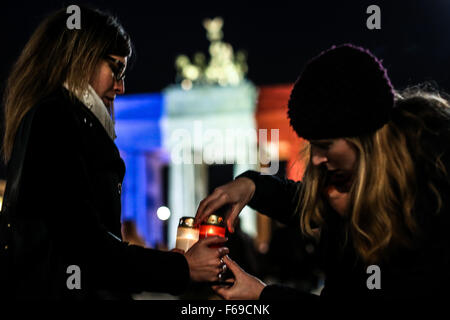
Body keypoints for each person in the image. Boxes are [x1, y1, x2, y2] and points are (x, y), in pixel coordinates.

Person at [0, 6, 228, 300]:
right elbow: (87, 247)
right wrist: (181, 267)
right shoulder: (56, 119)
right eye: (116, 68)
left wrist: (170, 265)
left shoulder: (63, 119)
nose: (121, 86)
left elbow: (91, 246)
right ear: (80, 59)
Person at [195, 44, 450, 301]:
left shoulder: (429, 205)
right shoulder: (356, 177)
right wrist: (252, 186)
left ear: (364, 136)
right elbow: (304, 201)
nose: (316, 159)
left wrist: (263, 295)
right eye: (312, 145)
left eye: (325, 145)